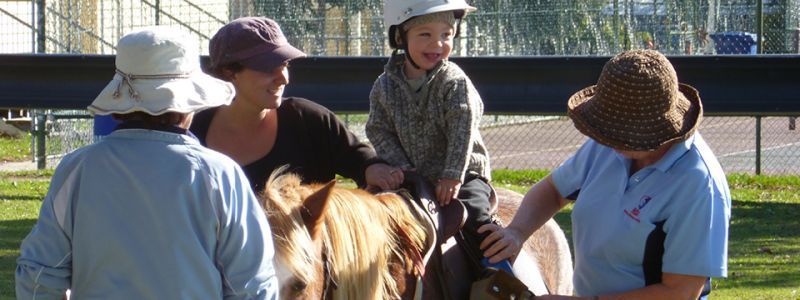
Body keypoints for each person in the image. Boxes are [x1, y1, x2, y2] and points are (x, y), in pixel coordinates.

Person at [16, 28, 278, 299]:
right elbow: (252, 286)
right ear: (189, 102)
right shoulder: (220, 176)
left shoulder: (77, 169)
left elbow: (39, 274)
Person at [479, 50, 731, 299]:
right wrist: (517, 231)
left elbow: (680, 292)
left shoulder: (699, 185)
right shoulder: (610, 145)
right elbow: (554, 191)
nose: (605, 138)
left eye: (617, 132)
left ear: (654, 131)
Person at [367, 0, 511, 273]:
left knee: (477, 218)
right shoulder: (384, 87)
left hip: (463, 174)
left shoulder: (454, 81)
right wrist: (399, 165)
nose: (437, 44)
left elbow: (462, 127)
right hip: (412, 175)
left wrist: (453, 174)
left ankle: (500, 277)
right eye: (425, 35)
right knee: (370, 212)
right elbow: (378, 128)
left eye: (446, 34)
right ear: (400, 36)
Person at [190, 17, 397, 194]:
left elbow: (358, 157)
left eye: (285, 65)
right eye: (268, 67)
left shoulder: (309, 122)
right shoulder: (192, 133)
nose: (283, 78)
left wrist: (373, 168)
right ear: (229, 72)